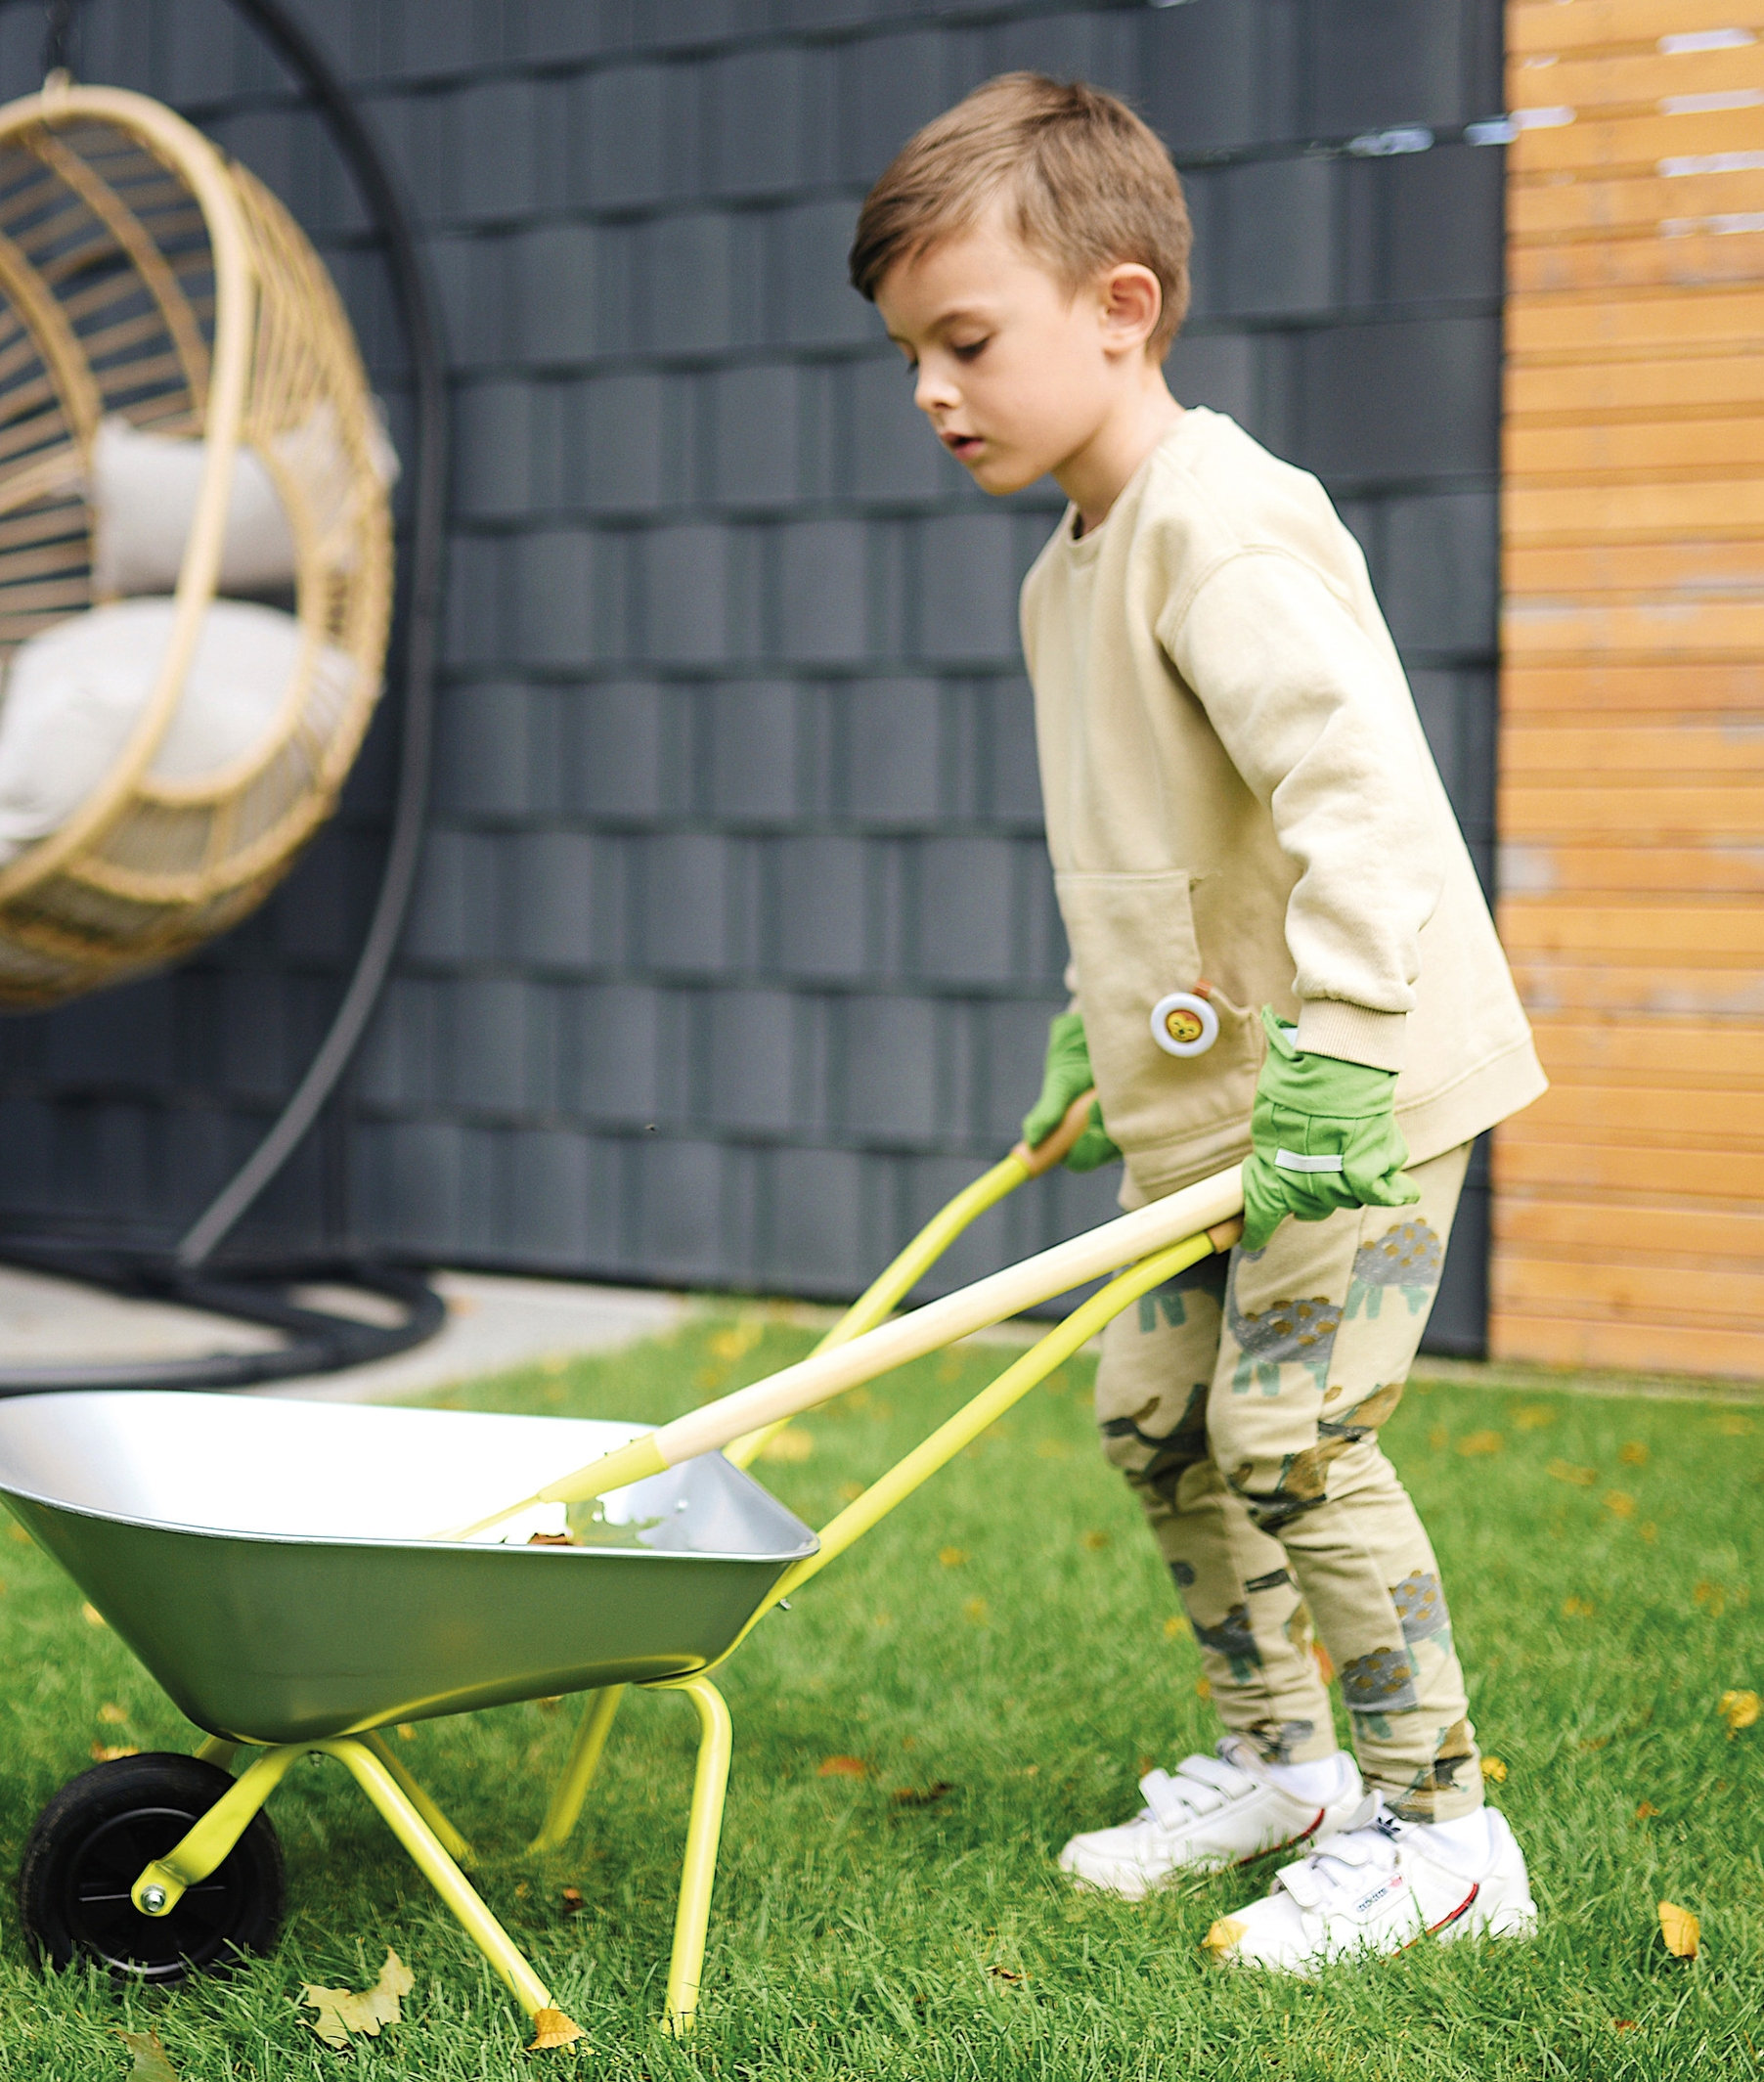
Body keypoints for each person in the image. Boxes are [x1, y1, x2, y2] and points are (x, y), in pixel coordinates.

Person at [850, 72, 1547, 1975]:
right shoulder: (1063, 569)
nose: (932, 389)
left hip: (1356, 1079)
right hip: (1220, 1099)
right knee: (1155, 1419)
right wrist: (1099, 1028)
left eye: (965, 340)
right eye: (912, 350)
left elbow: (1355, 803)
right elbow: (1148, 847)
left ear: (1120, 307)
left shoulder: (1218, 527)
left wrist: (1328, 1046)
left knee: (1292, 1431)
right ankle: (1278, 1763)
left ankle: (1441, 1830)